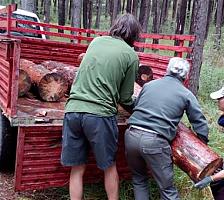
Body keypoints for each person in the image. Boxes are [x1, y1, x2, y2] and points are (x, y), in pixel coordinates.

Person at [60, 13, 141, 200]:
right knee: (109, 166)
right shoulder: (131, 56)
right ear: (134, 35)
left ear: (115, 27)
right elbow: (125, 97)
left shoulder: (96, 42)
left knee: (77, 168)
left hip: (72, 110)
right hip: (99, 116)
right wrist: (138, 109)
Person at [125, 57, 209, 200]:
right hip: (155, 142)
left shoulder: (149, 86)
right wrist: (202, 143)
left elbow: (136, 107)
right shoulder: (186, 94)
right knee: (167, 190)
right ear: (186, 76)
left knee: (139, 180)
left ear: (167, 70)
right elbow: (199, 122)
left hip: (131, 135)